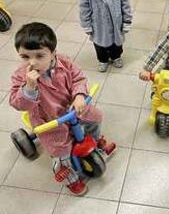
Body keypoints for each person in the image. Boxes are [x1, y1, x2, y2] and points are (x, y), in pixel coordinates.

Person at [9, 22, 116, 196]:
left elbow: (78, 79)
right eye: (25, 57)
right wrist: (29, 87)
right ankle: (70, 179)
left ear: (53, 53)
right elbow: (17, 103)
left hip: (74, 108)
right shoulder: (21, 76)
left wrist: (80, 95)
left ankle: (95, 141)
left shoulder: (64, 63)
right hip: (49, 121)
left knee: (96, 117)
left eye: (39, 55)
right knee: (61, 153)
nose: (32, 62)